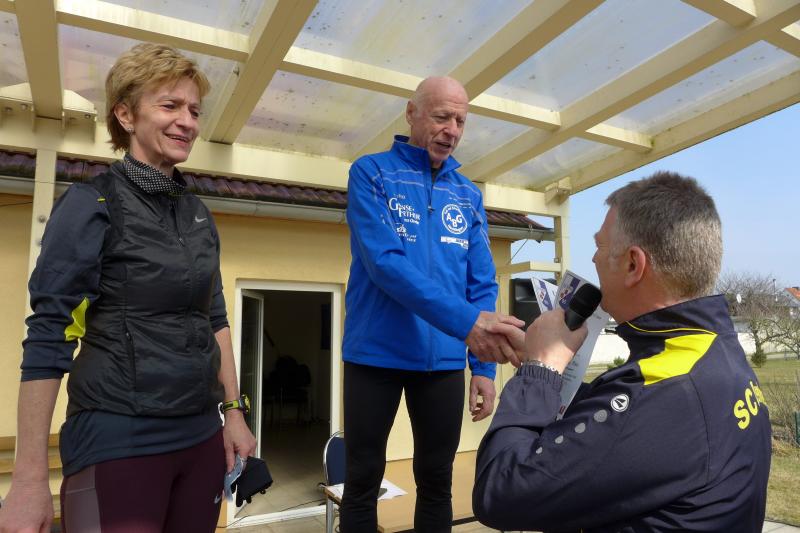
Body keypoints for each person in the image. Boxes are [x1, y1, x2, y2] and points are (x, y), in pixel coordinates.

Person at [0, 43, 256, 533]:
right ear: (125, 114)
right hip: (119, 437)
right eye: (170, 105)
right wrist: (29, 478)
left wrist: (234, 413)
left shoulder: (198, 215)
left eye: (194, 110)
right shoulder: (91, 203)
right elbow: (50, 333)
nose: (188, 122)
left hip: (201, 438)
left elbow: (215, 319)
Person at [473, 172, 772, 532]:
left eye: (600, 247)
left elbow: (501, 492)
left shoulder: (665, 392)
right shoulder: (715, 348)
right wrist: (549, 369)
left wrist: (539, 371)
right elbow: (623, 429)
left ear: (633, 264)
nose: (594, 260)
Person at [341, 76, 523, 532]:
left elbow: (481, 281)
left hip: (441, 361)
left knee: (437, 481)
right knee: (362, 479)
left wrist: (483, 369)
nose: (452, 130)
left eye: (460, 121)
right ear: (412, 112)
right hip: (374, 356)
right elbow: (385, 265)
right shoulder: (371, 172)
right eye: (442, 117)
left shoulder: (468, 194)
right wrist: (468, 325)